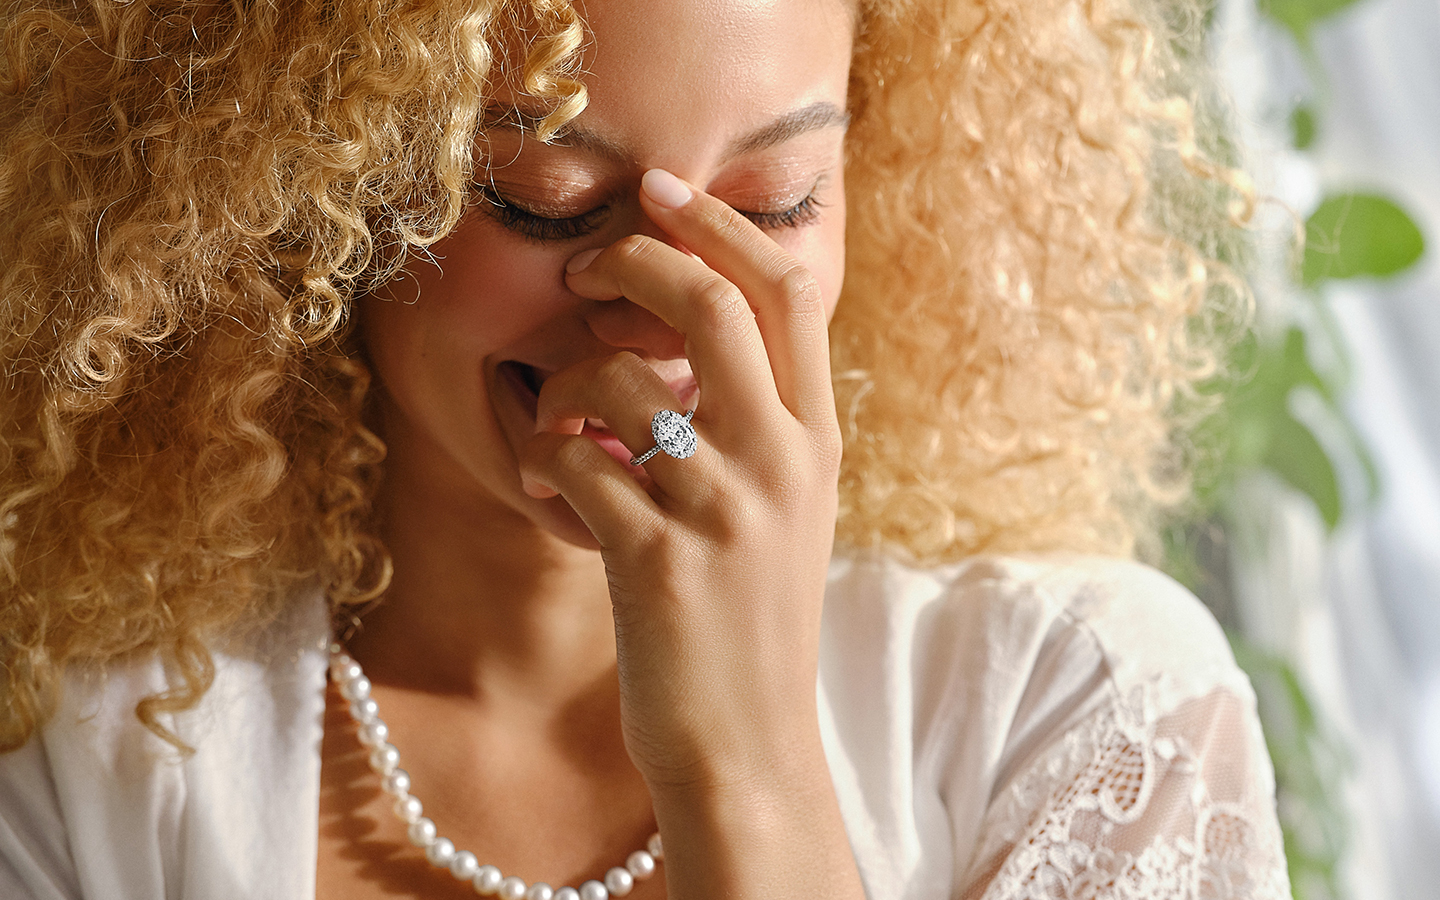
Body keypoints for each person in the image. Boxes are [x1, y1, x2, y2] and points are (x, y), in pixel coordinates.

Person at [0, 0, 1289, 897]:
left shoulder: (1090, 717)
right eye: (544, 198)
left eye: (770, 205)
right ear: (312, 185)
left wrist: (749, 762)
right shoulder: (69, 761)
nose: (676, 302)